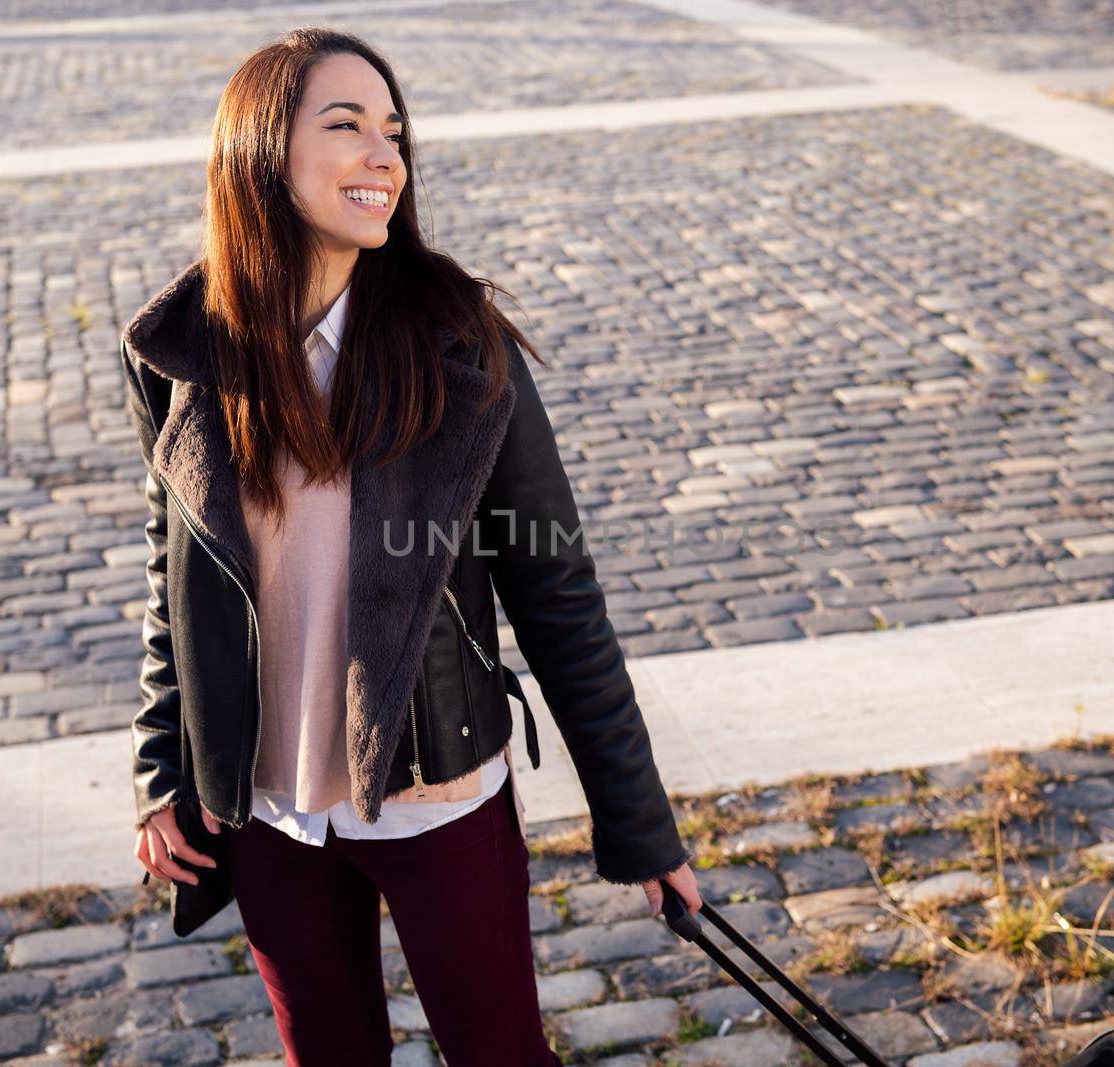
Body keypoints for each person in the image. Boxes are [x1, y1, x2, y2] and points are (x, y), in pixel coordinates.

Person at [117, 26, 703, 1067]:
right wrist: (162, 770)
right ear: (260, 151)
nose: (385, 154)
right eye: (346, 125)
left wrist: (640, 823)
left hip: (438, 796)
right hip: (263, 812)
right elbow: (175, 581)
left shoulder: (458, 344)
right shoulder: (185, 350)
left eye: (394, 131)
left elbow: (555, 588)